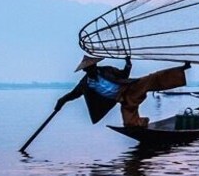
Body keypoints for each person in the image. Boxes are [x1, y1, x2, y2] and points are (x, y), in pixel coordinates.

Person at [55, 54, 190, 127]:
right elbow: (72, 95)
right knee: (129, 124)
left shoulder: (106, 70)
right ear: (85, 70)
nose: (91, 70)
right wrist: (60, 102)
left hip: (129, 87)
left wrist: (128, 64)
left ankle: (181, 69)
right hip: (122, 99)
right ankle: (143, 122)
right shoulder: (85, 84)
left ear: (95, 66)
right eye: (88, 69)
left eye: (92, 67)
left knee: (152, 79)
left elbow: (123, 75)